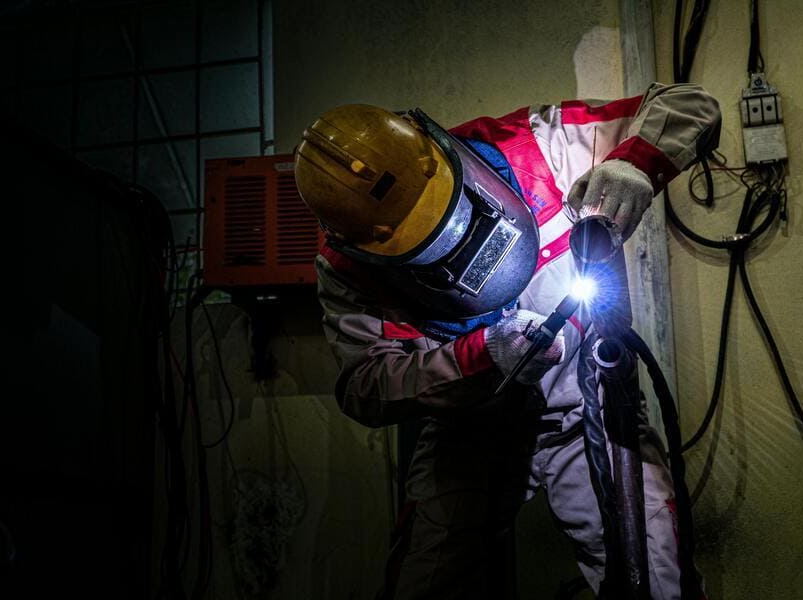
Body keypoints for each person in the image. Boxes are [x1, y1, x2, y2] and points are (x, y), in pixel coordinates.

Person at [294, 83, 721, 600]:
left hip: (591, 408)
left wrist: (634, 164)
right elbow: (365, 385)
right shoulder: (349, 269)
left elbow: (689, 105)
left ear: (439, 151)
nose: (453, 244)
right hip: (470, 430)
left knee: (658, 581)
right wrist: (481, 356)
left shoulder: (538, 147)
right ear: (367, 246)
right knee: (424, 585)